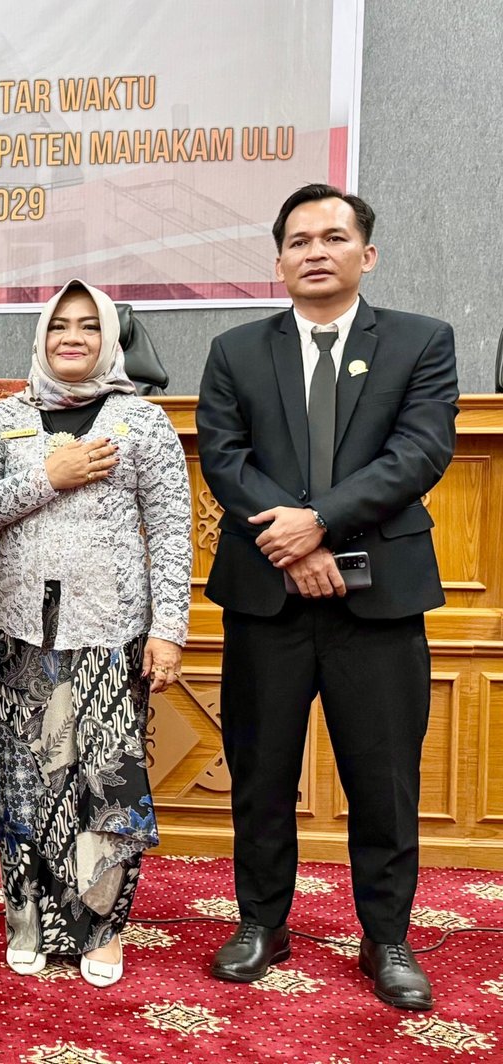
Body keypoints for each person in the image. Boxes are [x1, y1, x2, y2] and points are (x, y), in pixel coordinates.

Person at [197, 185, 458, 1010]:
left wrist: (318, 525)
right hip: (266, 600)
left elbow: (419, 452)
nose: (316, 251)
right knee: (260, 774)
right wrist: (297, 542)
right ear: (278, 261)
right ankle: (261, 924)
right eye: (299, 240)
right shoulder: (235, 350)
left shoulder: (421, 341)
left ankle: (387, 937)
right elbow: (225, 459)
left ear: (366, 254)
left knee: (385, 780)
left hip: (378, 603)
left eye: (334, 237)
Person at [0, 279, 191, 987]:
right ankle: (27, 917)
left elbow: (173, 531)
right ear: (41, 336)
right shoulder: (3, 417)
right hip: (20, 629)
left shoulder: (142, 421)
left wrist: (169, 630)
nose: (72, 337)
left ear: (110, 339)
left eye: (89, 326)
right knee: (25, 780)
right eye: (59, 325)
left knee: (106, 782)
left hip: (111, 630)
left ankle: (101, 926)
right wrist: (48, 476)